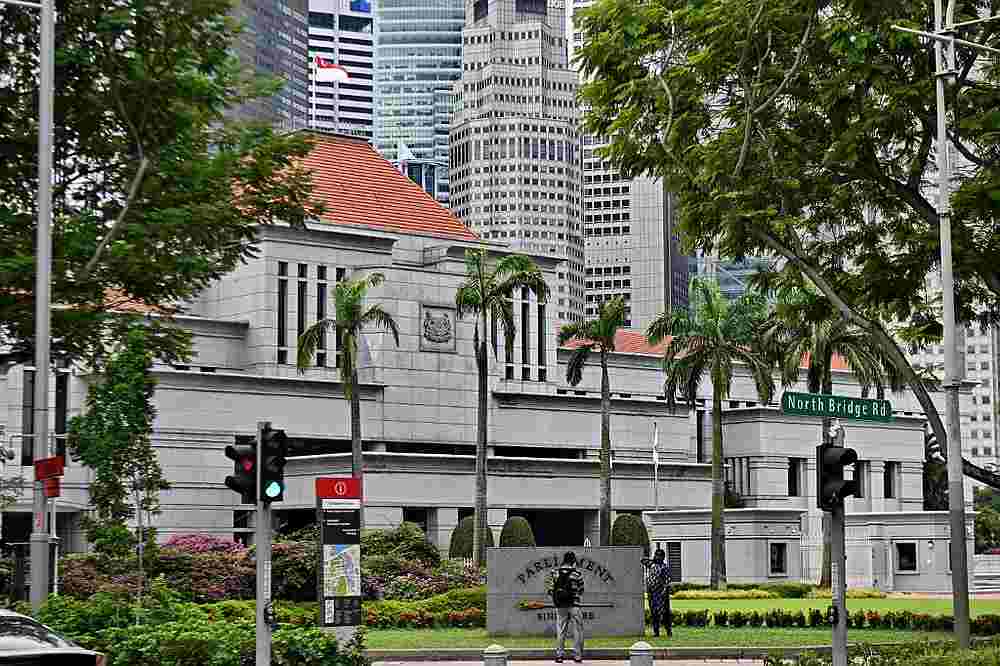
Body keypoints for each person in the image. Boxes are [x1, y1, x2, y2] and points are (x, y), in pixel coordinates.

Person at [546, 551, 585, 663]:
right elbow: (581, 589)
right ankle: (577, 656)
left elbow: (550, 589)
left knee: (561, 630)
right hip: (574, 605)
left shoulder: (555, 573)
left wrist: (558, 598)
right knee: (577, 630)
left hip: (560, 606)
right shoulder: (577, 574)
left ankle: (559, 655)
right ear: (573, 560)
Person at [641, 548, 672, 637]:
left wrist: (664, 592)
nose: (657, 557)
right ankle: (656, 631)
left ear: (663, 557)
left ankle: (668, 631)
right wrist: (653, 559)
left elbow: (667, 582)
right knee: (654, 612)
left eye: (659, 555)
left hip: (661, 592)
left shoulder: (664, 567)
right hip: (651, 592)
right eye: (656, 555)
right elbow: (643, 560)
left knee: (664, 612)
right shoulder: (651, 564)